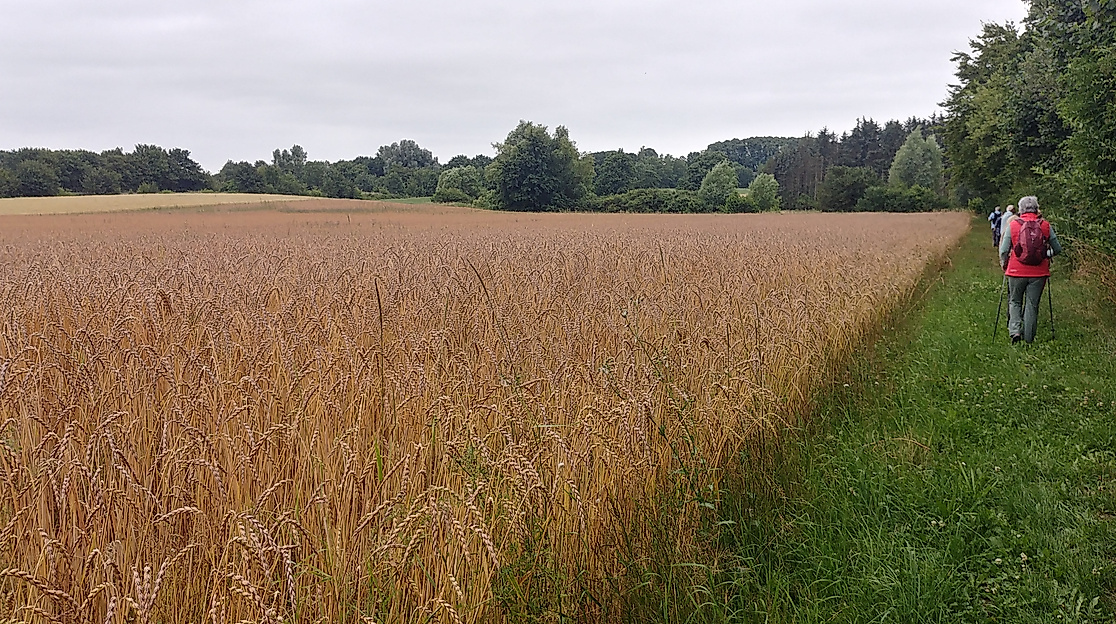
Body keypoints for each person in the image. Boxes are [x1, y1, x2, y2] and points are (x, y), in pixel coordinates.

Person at [999, 196, 1062, 344]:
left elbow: (1004, 250)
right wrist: (1046, 255)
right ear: (1036, 208)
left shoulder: (1013, 225)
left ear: (1020, 209)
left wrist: (1004, 263)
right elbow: (1057, 249)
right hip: (1039, 273)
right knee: (1032, 305)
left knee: (1015, 301)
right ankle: (1029, 339)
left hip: (1016, 271)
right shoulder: (1045, 225)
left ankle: (1015, 331)